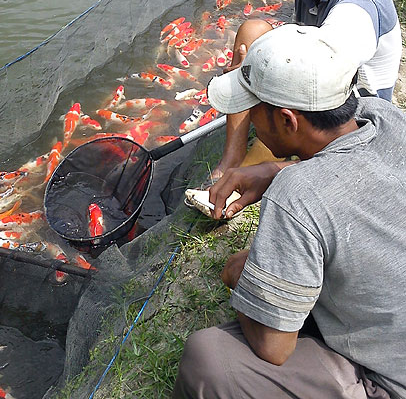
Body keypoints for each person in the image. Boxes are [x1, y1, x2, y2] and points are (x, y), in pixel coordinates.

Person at [173, 24, 406, 399]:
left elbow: (273, 346)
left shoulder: (298, 195)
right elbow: (351, 176)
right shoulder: (385, 117)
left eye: (253, 112)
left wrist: (243, 275)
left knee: (208, 360)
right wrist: (274, 168)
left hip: (392, 379)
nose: (249, 121)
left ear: (286, 120)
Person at [212, 0, 402, 180]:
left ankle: (271, 168)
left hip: (349, 118)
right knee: (252, 31)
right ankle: (233, 158)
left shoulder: (359, 5)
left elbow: (318, 77)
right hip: (314, 97)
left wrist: (248, 78)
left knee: (252, 76)